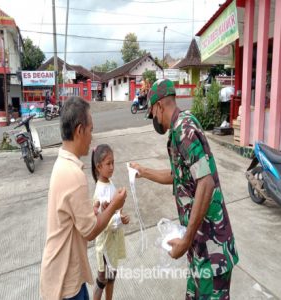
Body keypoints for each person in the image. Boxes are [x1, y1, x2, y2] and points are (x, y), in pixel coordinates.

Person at [131, 79, 238, 299]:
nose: (155, 121)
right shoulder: (183, 125)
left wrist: (186, 240)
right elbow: (178, 175)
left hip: (212, 249)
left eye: (153, 114)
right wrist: (144, 171)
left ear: (160, 106)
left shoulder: (183, 131)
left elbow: (205, 183)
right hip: (200, 248)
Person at [40, 96, 127, 300]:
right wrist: (114, 205)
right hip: (66, 280)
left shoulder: (62, 163)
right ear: (80, 130)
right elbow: (90, 231)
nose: (92, 137)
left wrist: (94, 210)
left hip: (61, 273)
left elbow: (75, 219)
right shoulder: (74, 175)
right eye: (91, 130)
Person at [91, 144, 130, 300]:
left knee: (111, 275)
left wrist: (119, 210)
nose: (112, 167)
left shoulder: (110, 183)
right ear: (98, 167)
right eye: (108, 164)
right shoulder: (99, 191)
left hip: (112, 241)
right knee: (102, 279)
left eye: (113, 162)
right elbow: (102, 223)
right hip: (105, 242)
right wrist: (119, 219)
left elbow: (114, 208)